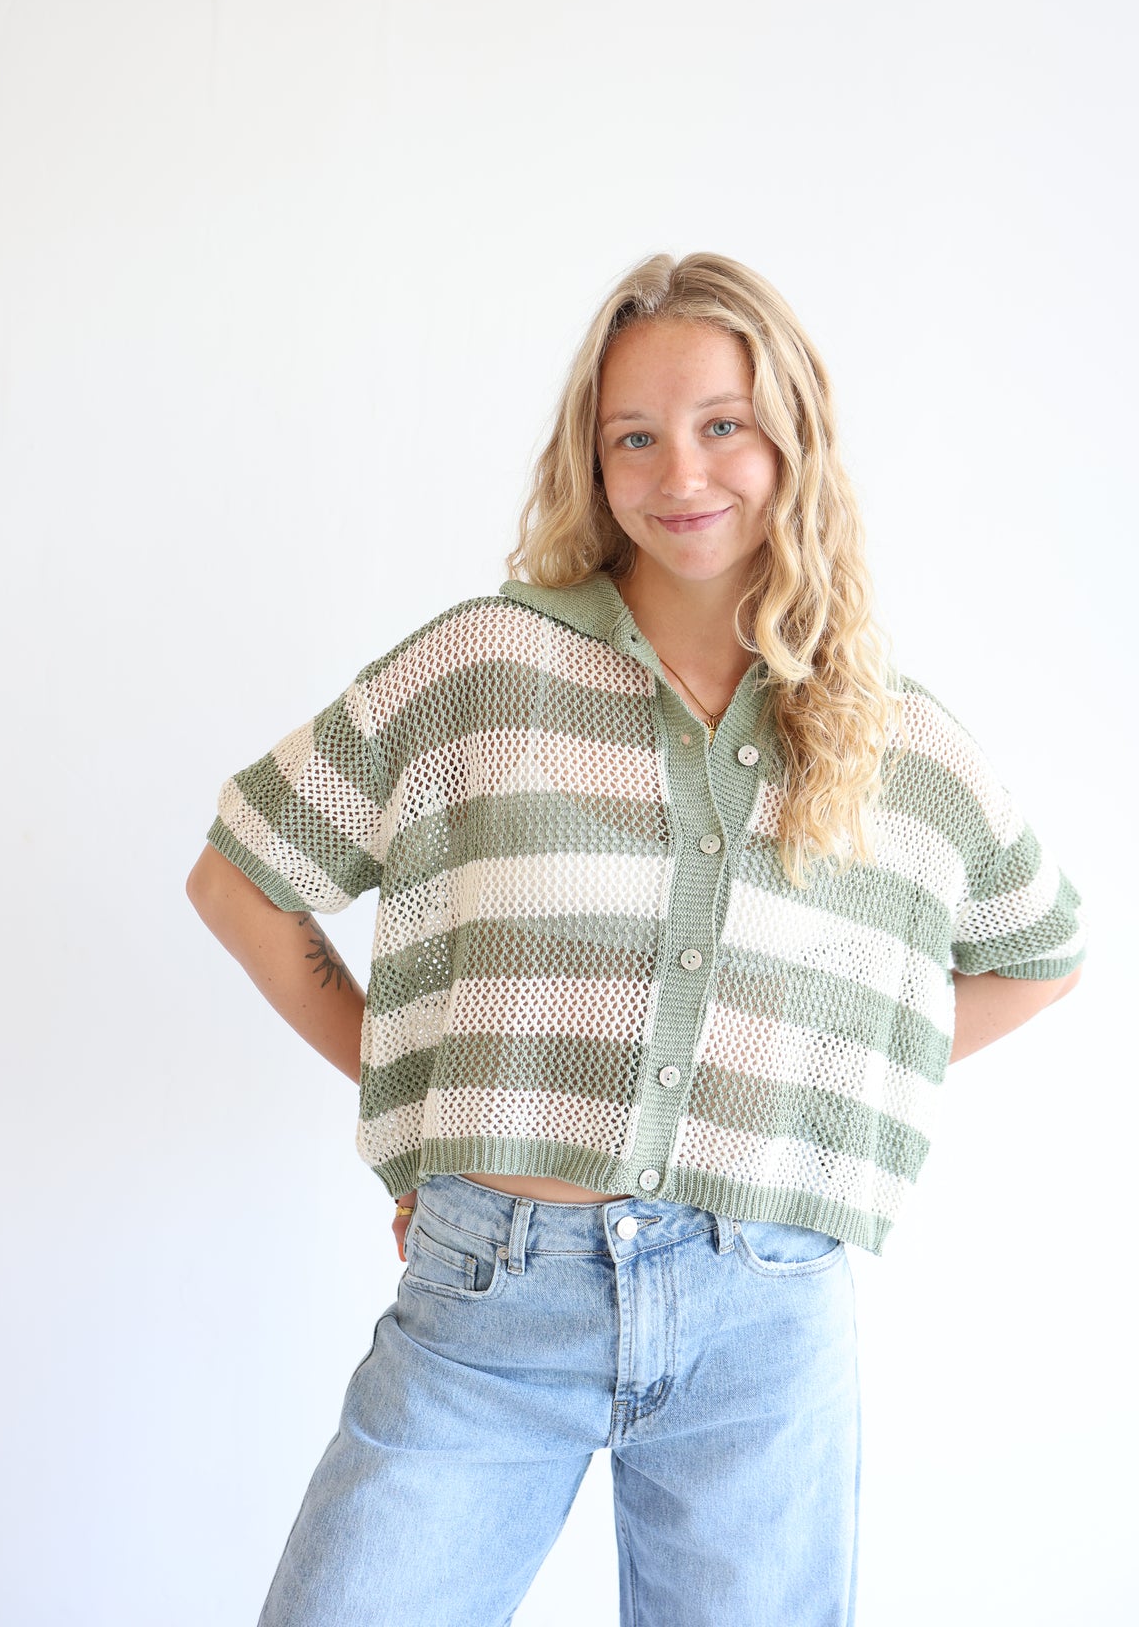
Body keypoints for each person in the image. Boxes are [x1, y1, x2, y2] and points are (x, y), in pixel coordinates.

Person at [185, 251, 1087, 1626]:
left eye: (724, 425)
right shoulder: (484, 670)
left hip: (766, 1310)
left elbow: (1039, 953)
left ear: (793, 439)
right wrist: (439, 1091)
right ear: (590, 459)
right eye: (635, 437)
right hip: (492, 1293)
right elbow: (241, 879)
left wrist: (805, 1085)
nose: (682, 473)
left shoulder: (888, 734)